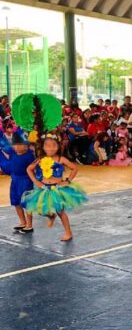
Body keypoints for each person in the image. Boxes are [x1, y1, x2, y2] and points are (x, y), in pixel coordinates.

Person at [15, 93, 87, 242]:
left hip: (57, 188)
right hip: (43, 188)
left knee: (61, 211)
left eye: (54, 145)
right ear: (44, 147)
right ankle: (50, 215)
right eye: (48, 145)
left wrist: (67, 180)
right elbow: (29, 169)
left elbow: (74, 168)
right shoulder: (41, 159)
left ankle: (68, 232)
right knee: (39, 210)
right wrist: (36, 182)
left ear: (58, 146)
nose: (51, 148)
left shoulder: (60, 159)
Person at [4, 129, 35, 233]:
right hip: (15, 180)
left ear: (26, 145)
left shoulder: (29, 155)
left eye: (19, 145)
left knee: (27, 203)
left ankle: (29, 224)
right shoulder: (13, 152)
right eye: (14, 145)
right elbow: (4, 148)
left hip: (25, 181)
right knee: (16, 202)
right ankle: (22, 222)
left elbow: (33, 168)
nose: (16, 147)